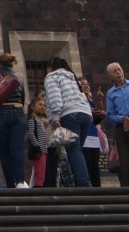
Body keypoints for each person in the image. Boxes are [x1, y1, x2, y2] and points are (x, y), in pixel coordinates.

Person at [43, 57, 92, 187]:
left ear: (51, 67)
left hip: (70, 114)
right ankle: (82, 179)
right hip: (86, 114)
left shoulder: (52, 77)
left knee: (73, 150)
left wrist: (55, 118)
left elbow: (55, 99)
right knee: (78, 150)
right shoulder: (72, 77)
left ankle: (83, 182)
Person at [0, 54, 28, 188]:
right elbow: (23, 97)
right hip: (18, 112)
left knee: (4, 152)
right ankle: (20, 181)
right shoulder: (18, 77)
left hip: (0, 113)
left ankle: (10, 184)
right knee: (17, 149)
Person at [78, 76, 103, 188]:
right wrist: (90, 112)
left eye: (87, 83)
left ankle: (97, 188)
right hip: (85, 137)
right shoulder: (78, 100)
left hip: (94, 136)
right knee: (87, 164)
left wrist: (99, 100)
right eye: (83, 84)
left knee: (95, 166)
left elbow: (97, 118)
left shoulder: (89, 101)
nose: (86, 86)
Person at [25, 96, 49, 187]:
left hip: (43, 150)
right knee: (39, 174)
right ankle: (38, 189)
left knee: (42, 173)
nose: (43, 107)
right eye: (40, 104)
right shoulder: (32, 119)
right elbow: (31, 134)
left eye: (44, 105)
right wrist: (37, 148)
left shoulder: (39, 120)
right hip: (39, 150)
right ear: (32, 107)